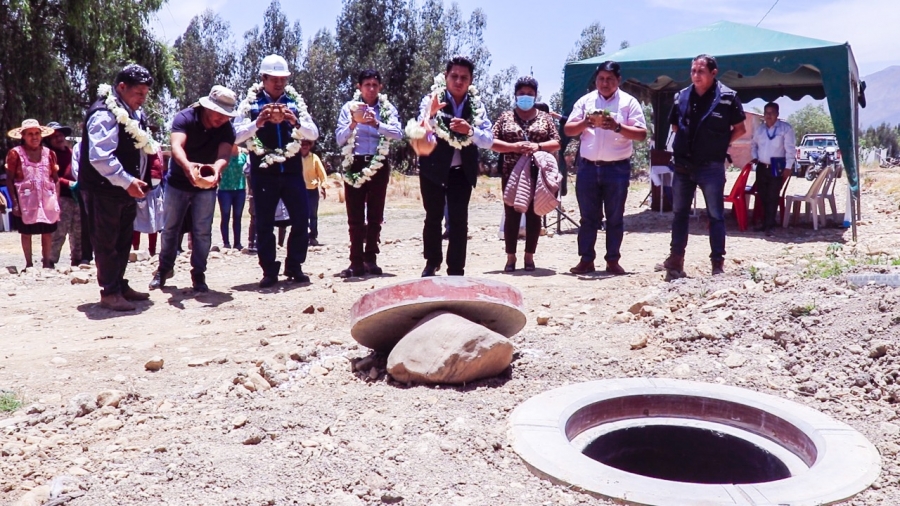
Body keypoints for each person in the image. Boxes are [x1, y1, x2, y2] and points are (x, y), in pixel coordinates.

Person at [234, 54, 319, 288]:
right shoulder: (251, 104)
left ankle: (295, 265)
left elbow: (314, 134)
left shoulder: (294, 103)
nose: (279, 83)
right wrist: (258, 123)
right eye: (274, 79)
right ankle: (269, 270)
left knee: (302, 218)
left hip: (291, 171)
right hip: (263, 172)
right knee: (264, 222)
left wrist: (296, 123)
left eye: (283, 79)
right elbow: (235, 135)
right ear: (263, 78)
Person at [663, 54, 746, 278]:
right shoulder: (681, 96)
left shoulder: (728, 97)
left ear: (713, 73)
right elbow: (674, 126)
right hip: (683, 166)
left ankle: (717, 264)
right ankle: (676, 259)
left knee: (715, 215)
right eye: (693, 71)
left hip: (711, 167)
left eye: (701, 71)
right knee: (679, 213)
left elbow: (740, 129)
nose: (696, 75)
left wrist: (719, 145)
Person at [79, 64, 154, 310]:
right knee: (106, 241)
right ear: (121, 87)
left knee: (123, 240)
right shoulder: (104, 113)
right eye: (138, 93)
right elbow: (100, 156)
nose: (142, 98)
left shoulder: (133, 113)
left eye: (145, 93)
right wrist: (128, 180)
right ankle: (109, 292)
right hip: (103, 189)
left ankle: (119, 284)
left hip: (124, 189)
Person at [150, 85, 237, 292]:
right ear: (208, 107)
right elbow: (176, 146)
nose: (222, 119)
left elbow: (224, 155)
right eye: (219, 113)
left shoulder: (226, 128)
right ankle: (164, 269)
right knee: (170, 228)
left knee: (202, 231)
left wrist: (216, 169)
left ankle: (199, 273)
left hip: (206, 186)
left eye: (227, 115)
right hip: (177, 182)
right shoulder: (185, 117)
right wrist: (187, 166)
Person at [564, 61, 648, 275]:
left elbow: (641, 134)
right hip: (588, 168)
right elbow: (568, 129)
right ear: (596, 80)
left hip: (617, 169)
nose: (605, 83)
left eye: (610, 79)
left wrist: (618, 127)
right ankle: (586, 259)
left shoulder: (629, 103)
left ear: (618, 80)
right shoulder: (586, 101)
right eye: (601, 78)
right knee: (588, 217)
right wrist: (585, 123)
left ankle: (612, 260)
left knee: (615, 216)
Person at [417, 56, 493, 277]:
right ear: (446, 77)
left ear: (471, 81)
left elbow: (488, 140)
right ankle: (432, 263)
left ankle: (456, 269)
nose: (458, 81)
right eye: (454, 76)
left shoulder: (477, 106)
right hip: (433, 168)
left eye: (464, 77)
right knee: (433, 216)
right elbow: (418, 132)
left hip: (462, 172)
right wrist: (430, 115)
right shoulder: (432, 99)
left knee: (459, 221)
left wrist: (470, 131)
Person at [335, 69, 403, 277]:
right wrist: (354, 122)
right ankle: (355, 261)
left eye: (375, 85)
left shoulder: (386, 108)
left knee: (375, 215)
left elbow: (398, 134)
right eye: (367, 85)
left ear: (380, 87)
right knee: (354, 216)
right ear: (359, 87)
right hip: (354, 163)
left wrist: (376, 123)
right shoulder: (349, 108)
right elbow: (339, 139)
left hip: (378, 164)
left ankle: (371, 258)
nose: (371, 89)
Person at [490, 76, 560, 272]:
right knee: (511, 213)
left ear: (536, 96)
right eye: (522, 94)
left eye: (530, 94)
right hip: (511, 172)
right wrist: (514, 147)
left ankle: (529, 257)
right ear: (515, 95)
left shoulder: (545, 118)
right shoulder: (505, 117)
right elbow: (492, 142)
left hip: (538, 173)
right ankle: (510, 257)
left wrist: (538, 146)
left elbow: (557, 142)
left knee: (534, 213)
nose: (525, 97)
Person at [5, 119, 60, 269]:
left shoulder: (49, 154)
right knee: (26, 232)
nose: (34, 137)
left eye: (37, 133)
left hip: (46, 199)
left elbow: (55, 179)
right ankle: (29, 264)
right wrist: (14, 203)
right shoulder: (15, 154)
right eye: (30, 134)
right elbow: (9, 179)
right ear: (23, 136)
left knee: (47, 231)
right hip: (25, 201)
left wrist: (56, 200)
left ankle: (47, 262)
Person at [750, 102, 795, 236]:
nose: (769, 116)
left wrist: (788, 167)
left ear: (777, 114)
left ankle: (770, 225)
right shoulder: (760, 130)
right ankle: (764, 222)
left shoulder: (785, 129)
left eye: (772, 113)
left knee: (773, 195)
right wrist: (754, 157)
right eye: (766, 113)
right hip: (762, 166)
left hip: (778, 165)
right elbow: (753, 145)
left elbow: (790, 149)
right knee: (762, 195)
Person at [45, 122, 81, 266]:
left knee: (78, 229)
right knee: (59, 231)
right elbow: (49, 176)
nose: (58, 138)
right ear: (49, 140)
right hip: (60, 197)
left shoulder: (73, 153)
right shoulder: (48, 155)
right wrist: (68, 183)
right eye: (54, 136)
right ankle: (50, 261)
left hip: (77, 196)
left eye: (60, 135)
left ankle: (78, 260)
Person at [132, 150, 165, 255]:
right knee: (136, 221)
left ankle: (152, 251)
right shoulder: (139, 147)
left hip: (155, 190)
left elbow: (160, 166)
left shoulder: (156, 146)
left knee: (153, 221)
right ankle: (136, 250)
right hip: (141, 187)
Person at [218, 144, 248, 250]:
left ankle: (237, 243)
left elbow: (249, 169)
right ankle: (226, 242)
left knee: (238, 217)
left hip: (240, 189)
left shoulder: (244, 155)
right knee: (225, 216)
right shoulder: (222, 153)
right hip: (224, 189)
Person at [300, 139, 327, 247]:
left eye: (307, 144)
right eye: (302, 144)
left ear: (310, 146)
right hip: (299, 190)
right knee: (302, 215)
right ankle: (303, 237)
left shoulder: (314, 158)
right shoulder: (295, 158)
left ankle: (313, 236)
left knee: (313, 215)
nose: (304, 146)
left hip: (312, 190)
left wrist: (323, 187)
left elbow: (322, 174)